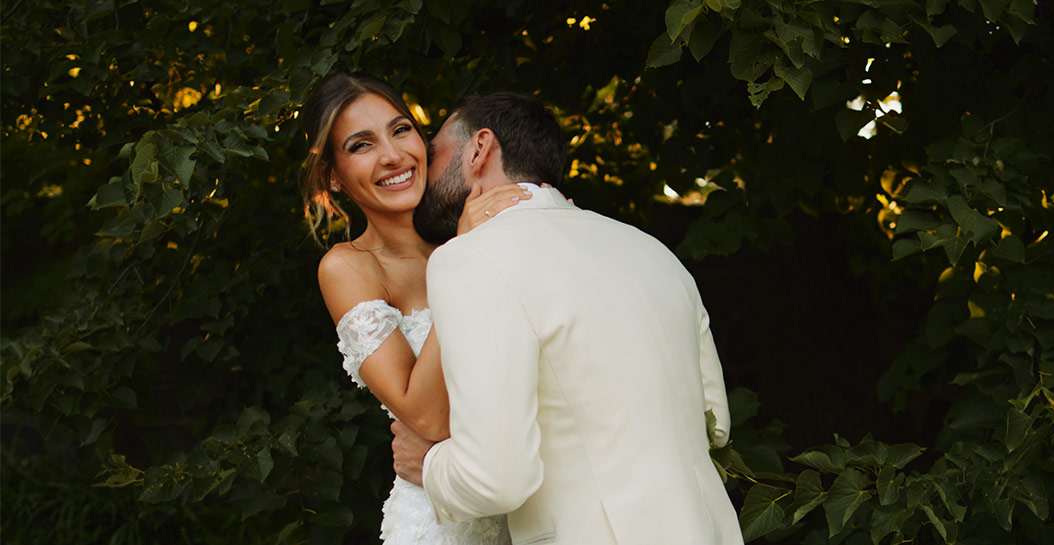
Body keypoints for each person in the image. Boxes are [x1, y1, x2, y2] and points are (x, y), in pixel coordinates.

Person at [391, 92, 744, 545]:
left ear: (479, 149)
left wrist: (431, 466)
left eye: (435, 151)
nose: (424, 167)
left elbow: (497, 478)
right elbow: (714, 424)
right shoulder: (651, 250)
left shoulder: (471, 257)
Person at [301, 72, 527, 545]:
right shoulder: (350, 267)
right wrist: (466, 258)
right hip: (440, 523)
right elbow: (426, 416)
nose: (393, 155)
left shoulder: (478, 232)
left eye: (400, 129)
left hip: (532, 507)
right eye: (361, 145)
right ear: (333, 178)